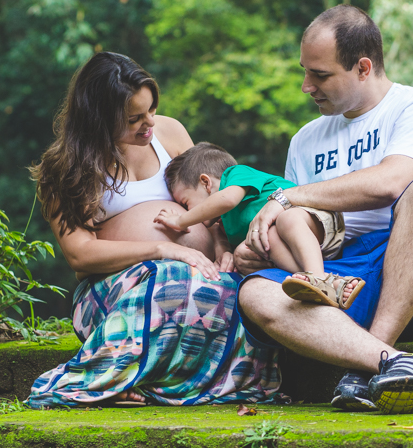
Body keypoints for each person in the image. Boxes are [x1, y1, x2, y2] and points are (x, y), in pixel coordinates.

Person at [234, 5, 413, 415]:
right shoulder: (305, 140)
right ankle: (390, 363)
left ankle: (371, 361)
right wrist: (251, 250)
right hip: (344, 283)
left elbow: (390, 183)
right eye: (305, 71)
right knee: (255, 293)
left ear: (363, 67)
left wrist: (288, 197)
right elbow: (299, 226)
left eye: (320, 75)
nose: (305, 86)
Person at [25, 52, 280, 408]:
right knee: (170, 282)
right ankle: (106, 381)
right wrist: (163, 250)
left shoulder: (169, 132)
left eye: (151, 110)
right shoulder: (67, 168)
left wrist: (222, 246)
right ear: (99, 120)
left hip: (199, 268)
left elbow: (214, 193)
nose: (149, 124)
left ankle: (147, 384)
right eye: (134, 119)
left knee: (236, 291)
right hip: (115, 288)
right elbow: (80, 255)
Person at [153, 142, 364, 309]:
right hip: (295, 247)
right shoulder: (224, 222)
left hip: (312, 218)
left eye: (185, 203)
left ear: (206, 182)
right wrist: (222, 251)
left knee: (285, 219)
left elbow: (226, 200)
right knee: (252, 246)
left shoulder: (234, 175)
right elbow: (220, 236)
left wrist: (180, 221)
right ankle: (329, 283)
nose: (188, 212)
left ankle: (317, 277)